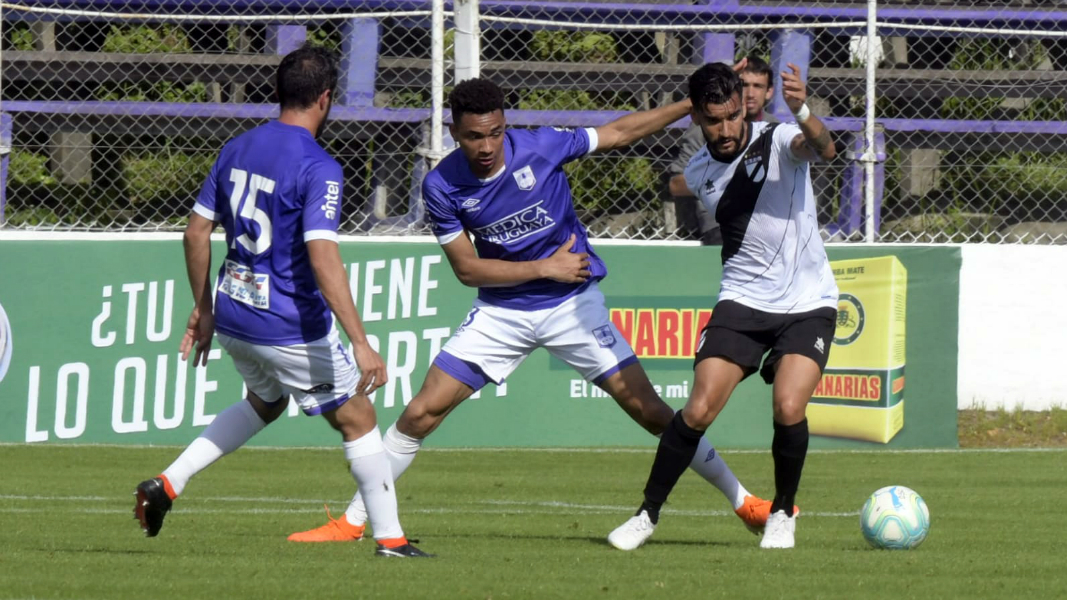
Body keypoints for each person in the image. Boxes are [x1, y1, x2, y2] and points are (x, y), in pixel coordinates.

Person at [287, 77, 779, 543]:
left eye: (496, 133)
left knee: (652, 413)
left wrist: (687, 106)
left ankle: (744, 501)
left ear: (506, 125)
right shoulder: (441, 186)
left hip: (572, 306)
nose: (486, 147)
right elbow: (468, 270)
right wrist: (547, 268)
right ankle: (355, 521)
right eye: (474, 136)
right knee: (420, 413)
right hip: (502, 312)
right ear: (454, 132)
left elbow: (619, 131)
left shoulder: (541, 147)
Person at [132, 43, 430, 559]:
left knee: (265, 403)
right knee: (358, 417)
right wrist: (360, 341)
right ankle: (391, 541)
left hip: (234, 314)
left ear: (278, 93)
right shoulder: (320, 167)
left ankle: (168, 483)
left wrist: (203, 309)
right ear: (326, 98)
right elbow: (322, 256)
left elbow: (196, 232)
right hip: (288, 324)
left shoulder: (237, 148)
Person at [607, 61, 838, 551]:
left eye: (734, 115)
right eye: (715, 120)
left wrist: (803, 111)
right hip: (744, 299)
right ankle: (646, 516)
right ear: (698, 118)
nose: (727, 128)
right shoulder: (698, 171)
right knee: (698, 409)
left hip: (807, 300)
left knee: (788, 405)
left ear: (744, 107)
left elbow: (823, 148)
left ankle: (781, 513)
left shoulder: (777, 140)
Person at [666, 56, 776, 245]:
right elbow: (675, 185)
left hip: (768, 220)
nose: (750, 93)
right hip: (720, 222)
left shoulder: (775, 129)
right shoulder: (705, 127)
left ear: (769, 92)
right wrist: (724, 180)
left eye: (757, 86)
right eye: (744, 85)